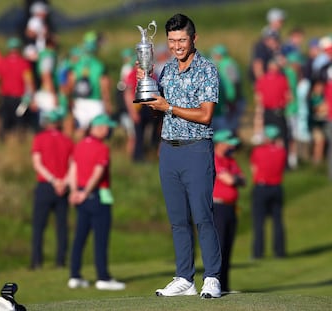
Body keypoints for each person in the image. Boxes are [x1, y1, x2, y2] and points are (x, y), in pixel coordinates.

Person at [138, 13, 222, 298]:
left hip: (196, 149)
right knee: (177, 220)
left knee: (202, 217)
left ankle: (211, 276)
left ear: (193, 39)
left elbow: (206, 115)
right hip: (169, 151)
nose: (177, 46)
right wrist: (147, 85)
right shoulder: (167, 70)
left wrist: (168, 107)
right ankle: (185, 278)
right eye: (172, 40)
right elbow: (157, 107)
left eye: (182, 40)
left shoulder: (207, 70)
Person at [67, 114, 125, 291]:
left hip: (81, 196)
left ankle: (74, 276)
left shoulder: (79, 145)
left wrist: (74, 191)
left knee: (79, 238)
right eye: (107, 127)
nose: (108, 130)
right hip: (98, 196)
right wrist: (85, 192)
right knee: (100, 239)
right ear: (99, 128)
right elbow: (97, 173)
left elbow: (73, 170)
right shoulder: (102, 148)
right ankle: (103, 277)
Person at [30, 110, 73, 269]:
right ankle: (60, 261)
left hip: (46, 185)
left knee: (39, 226)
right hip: (63, 186)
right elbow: (72, 166)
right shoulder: (67, 140)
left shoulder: (39, 139)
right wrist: (63, 182)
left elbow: (37, 164)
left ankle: (36, 261)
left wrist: (53, 181)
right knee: (61, 226)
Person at [212, 129, 245, 294]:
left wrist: (235, 179)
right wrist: (235, 179)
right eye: (229, 143)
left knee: (228, 248)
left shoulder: (230, 160)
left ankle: (224, 286)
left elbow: (242, 179)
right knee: (219, 248)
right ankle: (214, 285)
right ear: (221, 143)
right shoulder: (214, 158)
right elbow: (230, 179)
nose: (231, 146)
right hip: (217, 207)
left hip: (231, 207)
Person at [250, 125, 287, 259]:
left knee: (259, 222)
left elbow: (254, 168)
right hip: (276, 187)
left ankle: (258, 253)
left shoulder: (258, 151)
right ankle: (280, 251)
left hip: (262, 187)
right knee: (277, 221)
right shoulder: (281, 151)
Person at [0, 37, 35, 141]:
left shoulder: (2, 62)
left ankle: (1, 140)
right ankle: (20, 140)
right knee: (20, 120)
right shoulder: (24, 63)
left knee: (5, 119)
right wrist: (31, 96)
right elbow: (28, 81)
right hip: (19, 97)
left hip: (6, 97)